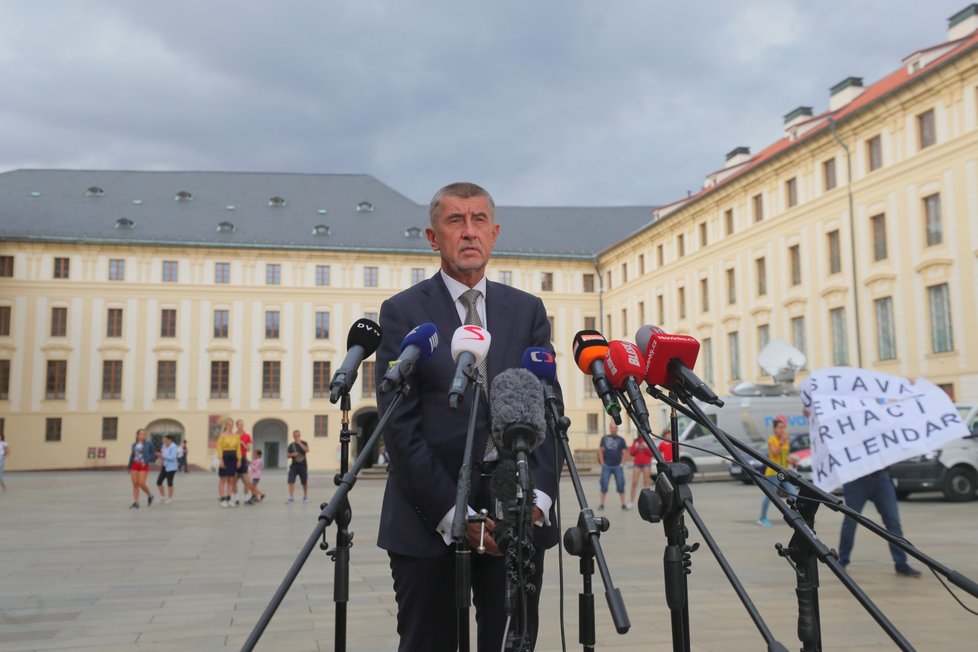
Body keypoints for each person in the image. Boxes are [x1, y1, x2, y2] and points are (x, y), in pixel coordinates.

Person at [375, 182, 560, 651]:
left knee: (511, 643)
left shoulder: (526, 311)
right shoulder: (402, 313)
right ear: (433, 237)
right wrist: (454, 515)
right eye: (455, 221)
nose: (469, 231)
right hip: (428, 520)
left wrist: (535, 500)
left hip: (513, 517)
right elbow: (400, 426)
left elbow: (546, 409)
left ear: (494, 233)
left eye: (479, 220)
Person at [838, 470, 922, 577]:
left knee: (893, 522)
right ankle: (842, 560)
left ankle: (901, 563)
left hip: (881, 476)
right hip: (855, 477)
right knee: (851, 520)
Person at [757, 416, 798, 527]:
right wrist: (781, 442)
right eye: (780, 427)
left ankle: (795, 517)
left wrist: (792, 461)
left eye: (783, 428)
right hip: (773, 473)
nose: (782, 430)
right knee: (771, 496)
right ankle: (762, 518)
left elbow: (785, 456)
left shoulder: (786, 440)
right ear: (775, 429)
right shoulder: (773, 440)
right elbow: (774, 453)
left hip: (784, 472)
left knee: (793, 494)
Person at [598, 423, 629, 510]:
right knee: (604, 484)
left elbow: (625, 452)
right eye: (612, 428)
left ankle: (623, 504)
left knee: (621, 484)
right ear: (610, 428)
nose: (613, 429)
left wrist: (622, 463)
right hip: (606, 466)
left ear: (617, 429)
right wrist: (602, 462)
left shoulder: (621, 439)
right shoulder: (604, 439)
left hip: (617, 466)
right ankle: (601, 504)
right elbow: (600, 451)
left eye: (615, 428)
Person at [235, 419, 264, 504]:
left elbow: (248, 449)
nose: (241, 426)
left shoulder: (247, 436)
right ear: (236, 426)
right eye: (240, 424)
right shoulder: (233, 436)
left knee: (246, 480)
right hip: (234, 459)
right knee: (234, 480)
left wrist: (242, 443)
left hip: (243, 458)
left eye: (242, 424)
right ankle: (236, 498)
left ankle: (247, 498)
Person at [215, 418, 241, 507]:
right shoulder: (222, 436)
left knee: (231, 479)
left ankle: (228, 498)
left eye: (232, 425)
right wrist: (220, 460)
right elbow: (219, 448)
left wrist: (239, 460)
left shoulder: (236, 436)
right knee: (223, 478)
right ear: (226, 425)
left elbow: (238, 448)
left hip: (233, 457)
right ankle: (222, 499)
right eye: (229, 424)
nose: (231, 426)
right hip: (225, 457)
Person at [128, 429, 155, 509]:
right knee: (135, 484)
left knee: (141, 483)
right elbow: (132, 455)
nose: (143, 435)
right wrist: (129, 466)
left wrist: (146, 461)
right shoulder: (134, 444)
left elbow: (153, 454)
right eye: (141, 434)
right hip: (134, 464)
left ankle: (150, 495)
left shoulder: (149, 444)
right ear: (137, 435)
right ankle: (136, 502)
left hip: (143, 465)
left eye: (144, 434)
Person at [629, 433, 654, 508]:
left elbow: (652, 453)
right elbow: (631, 453)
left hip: (646, 464)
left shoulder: (649, 440)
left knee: (646, 483)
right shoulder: (636, 441)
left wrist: (645, 447)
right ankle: (631, 502)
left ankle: (648, 502)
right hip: (637, 464)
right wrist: (637, 448)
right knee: (634, 483)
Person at [285, 430, 309, 504]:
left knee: (304, 482)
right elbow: (287, 455)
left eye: (298, 435)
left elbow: (307, 450)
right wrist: (293, 454)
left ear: (300, 435)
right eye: (295, 436)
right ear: (293, 436)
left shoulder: (304, 443)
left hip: (303, 466)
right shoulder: (291, 445)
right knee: (291, 481)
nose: (297, 437)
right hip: (294, 466)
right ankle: (291, 497)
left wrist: (299, 443)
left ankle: (305, 496)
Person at [155, 434, 179, 504]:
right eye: (164, 439)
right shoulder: (164, 446)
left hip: (171, 467)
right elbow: (162, 453)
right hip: (164, 466)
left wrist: (163, 455)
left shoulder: (174, 447)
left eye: (165, 439)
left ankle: (170, 498)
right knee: (159, 482)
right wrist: (160, 457)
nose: (164, 441)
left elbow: (172, 457)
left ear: (170, 440)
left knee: (169, 483)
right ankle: (163, 496)